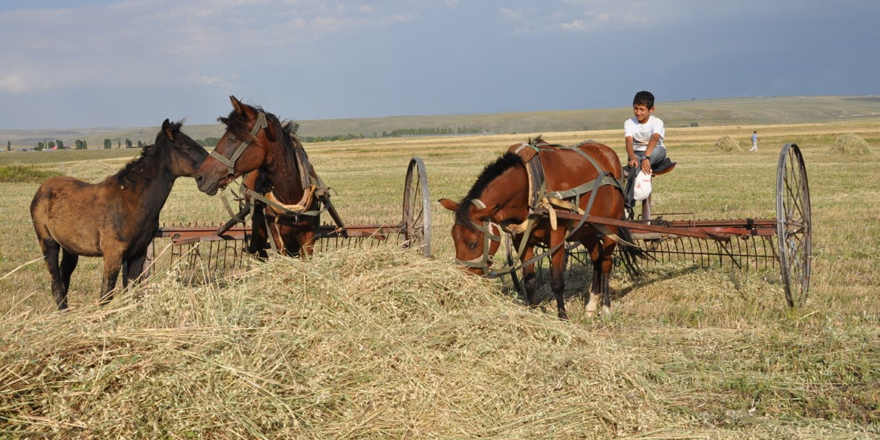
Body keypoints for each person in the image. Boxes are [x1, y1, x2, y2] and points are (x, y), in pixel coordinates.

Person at [623, 91, 670, 216]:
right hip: (636, 153)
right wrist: (632, 157)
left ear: (652, 109)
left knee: (659, 151)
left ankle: (631, 170)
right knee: (635, 165)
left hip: (654, 151)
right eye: (635, 108)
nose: (638, 112)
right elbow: (628, 142)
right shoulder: (629, 123)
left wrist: (646, 157)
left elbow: (654, 139)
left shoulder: (657, 122)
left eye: (642, 109)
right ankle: (628, 204)